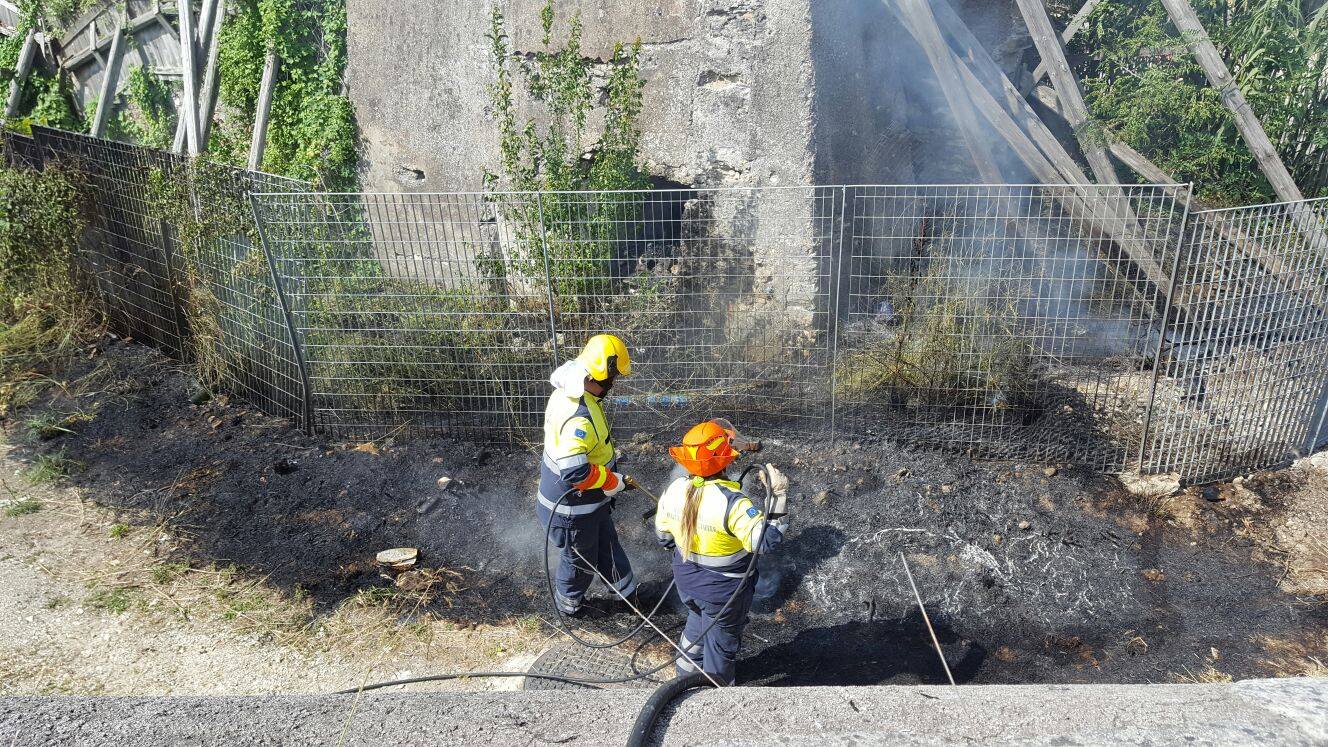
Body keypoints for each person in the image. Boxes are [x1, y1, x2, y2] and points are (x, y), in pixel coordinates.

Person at [654, 419, 790, 685]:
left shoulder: (674, 490)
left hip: (687, 583)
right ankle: (717, 693)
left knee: (698, 620)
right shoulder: (733, 504)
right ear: (724, 459)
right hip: (724, 593)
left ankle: (685, 673)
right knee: (721, 645)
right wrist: (778, 495)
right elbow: (767, 541)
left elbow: (664, 538)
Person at [537, 334, 639, 616]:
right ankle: (569, 606)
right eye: (611, 378)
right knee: (580, 559)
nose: (613, 384)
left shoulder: (576, 389)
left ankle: (627, 593)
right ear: (595, 375)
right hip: (571, 510)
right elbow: (575, 471)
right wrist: (612, 482)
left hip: (589, 504)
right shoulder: (578, 416)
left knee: (607, 544)